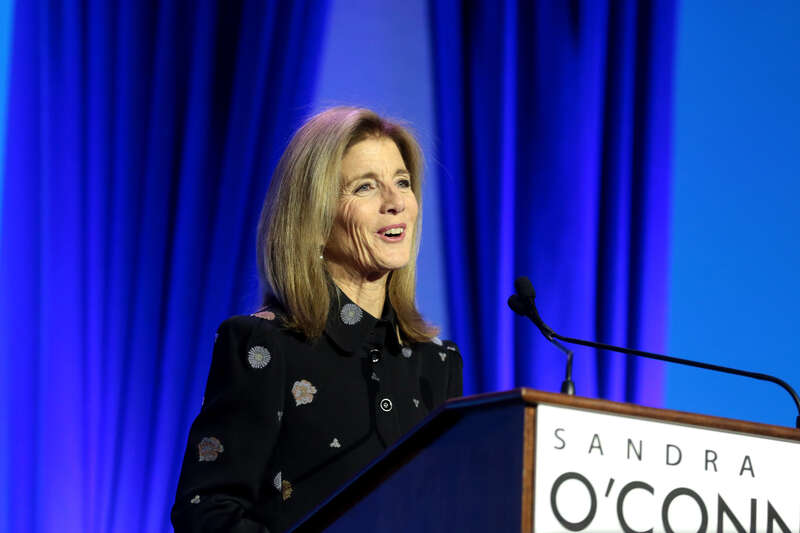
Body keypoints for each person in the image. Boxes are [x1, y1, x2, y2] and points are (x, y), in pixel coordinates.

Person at [171, 107, 463, 532]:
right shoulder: (263, 346)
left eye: (402, 182)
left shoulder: (437, 363)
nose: (396, 202)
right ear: (315, 216)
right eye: (366, 187)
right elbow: (207, 510)